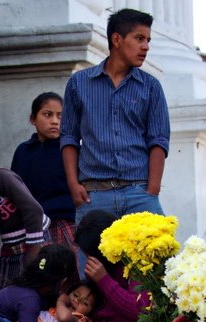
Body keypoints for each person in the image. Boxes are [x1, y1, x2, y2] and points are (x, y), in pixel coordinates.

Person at [61, 8, 170, 228]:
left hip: (139, 194)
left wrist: (152, 190)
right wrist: (74, 185)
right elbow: (69, 138)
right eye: (139, 38)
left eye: (148, 40)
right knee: (92, 263)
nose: (146, 46)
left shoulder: (151, 87)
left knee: (156, 261)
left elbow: (159, 140)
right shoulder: (78, 84)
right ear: (117, 39)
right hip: (94, 196)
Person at [74, 209, 149, 322]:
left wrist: (103, 280)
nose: (88, 259)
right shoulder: (101, 266)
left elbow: (140, 312)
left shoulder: (139, 260)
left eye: (90, 254)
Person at [11, 92, 76, 252]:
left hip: (65, 223)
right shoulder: (23, 151)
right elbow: (16, 190)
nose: (55, 121)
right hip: (33, 227)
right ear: (33, 119)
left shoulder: (69, 149)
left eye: (60, 116)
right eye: (47, 115)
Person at [0, 166, 49, 291]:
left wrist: (34, 253)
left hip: (35, 239)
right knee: (3, 293)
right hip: (11, 247)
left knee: (33, 288)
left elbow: (34, 210)